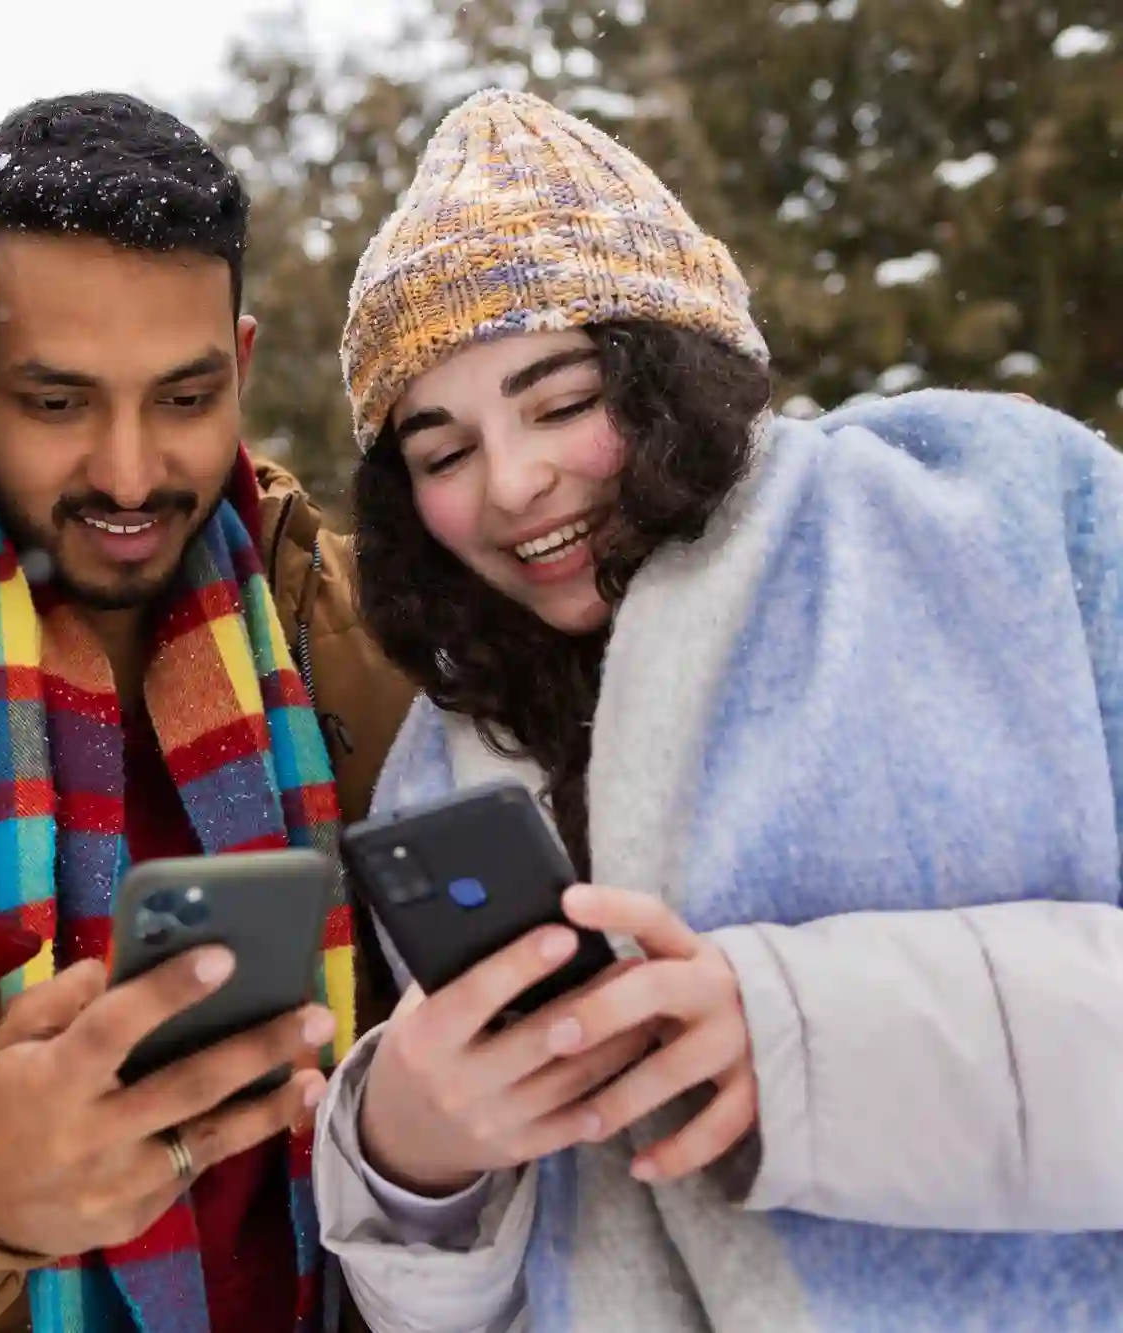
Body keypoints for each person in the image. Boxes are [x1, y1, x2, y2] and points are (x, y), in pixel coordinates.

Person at [314, 87, 1123, 1333]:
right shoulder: (440, 757)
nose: (512, 481)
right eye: (441, 452)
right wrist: (406, 1167)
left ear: (670, 372)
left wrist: (808, 1043)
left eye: (559, 401)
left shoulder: (987, 514)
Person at [0, 92, 417, 1333]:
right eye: (56, 403)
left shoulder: (372, 634)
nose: (127, 469)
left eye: (183, 398)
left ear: (241, 365)